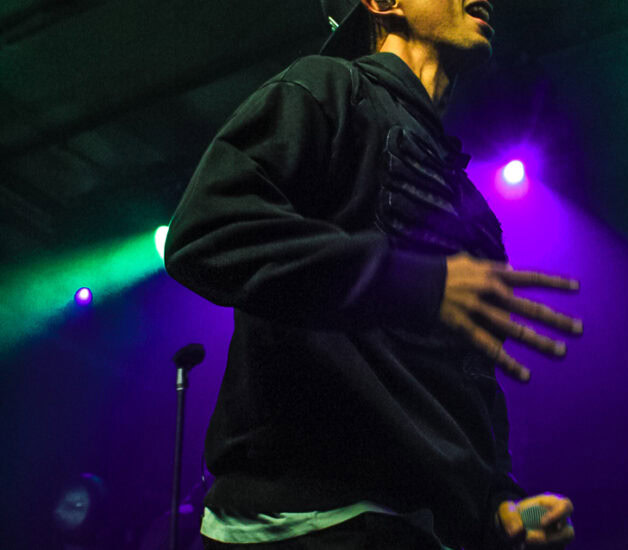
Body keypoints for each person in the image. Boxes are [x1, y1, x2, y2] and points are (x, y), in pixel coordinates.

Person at [163, 1, 582, 549]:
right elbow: (207, 229)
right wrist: (419, 284)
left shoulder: (471, 206)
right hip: (306, 523)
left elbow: (469, 378)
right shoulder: (326, 87)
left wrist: (495, 504)